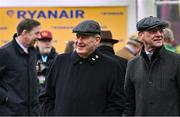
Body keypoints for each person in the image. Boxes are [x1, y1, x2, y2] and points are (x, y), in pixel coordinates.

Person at [40, 20, 125, 116]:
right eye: (78, 36)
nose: (79, 41)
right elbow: (46, 97)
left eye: (84, 37)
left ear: (97, 40)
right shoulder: (59, 61)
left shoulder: (111, 66)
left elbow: (117, 104)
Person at [124, 16, 180, 116]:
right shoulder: (132, 64)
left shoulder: (177, 61)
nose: (159, 34)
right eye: (153, 31)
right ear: (140, 35)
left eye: (161, 31)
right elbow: (129, 104)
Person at [0, 18, 41, 115]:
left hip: (32, 112)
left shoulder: (33, 51)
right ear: (25, 33)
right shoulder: (4, 52)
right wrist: (5, 98)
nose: (39, 36)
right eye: (36, 33)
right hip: (10, 112)